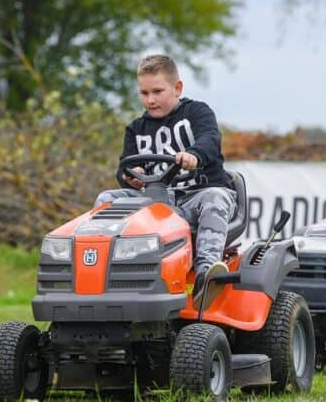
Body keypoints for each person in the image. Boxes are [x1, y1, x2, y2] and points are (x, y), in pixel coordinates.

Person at [93, 54, 235, 310]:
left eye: (157, 91)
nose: (150, 100)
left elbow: (209, 140)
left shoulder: (197, 112)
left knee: (215, 197)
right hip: (157, 202)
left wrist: (193, 155)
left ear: (177, 88)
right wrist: (130, 176)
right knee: (106, 199)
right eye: (144, 93)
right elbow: (125, 166)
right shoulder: (136, 128)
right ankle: (104, 273)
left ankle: (206, 274)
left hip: (197, 195)